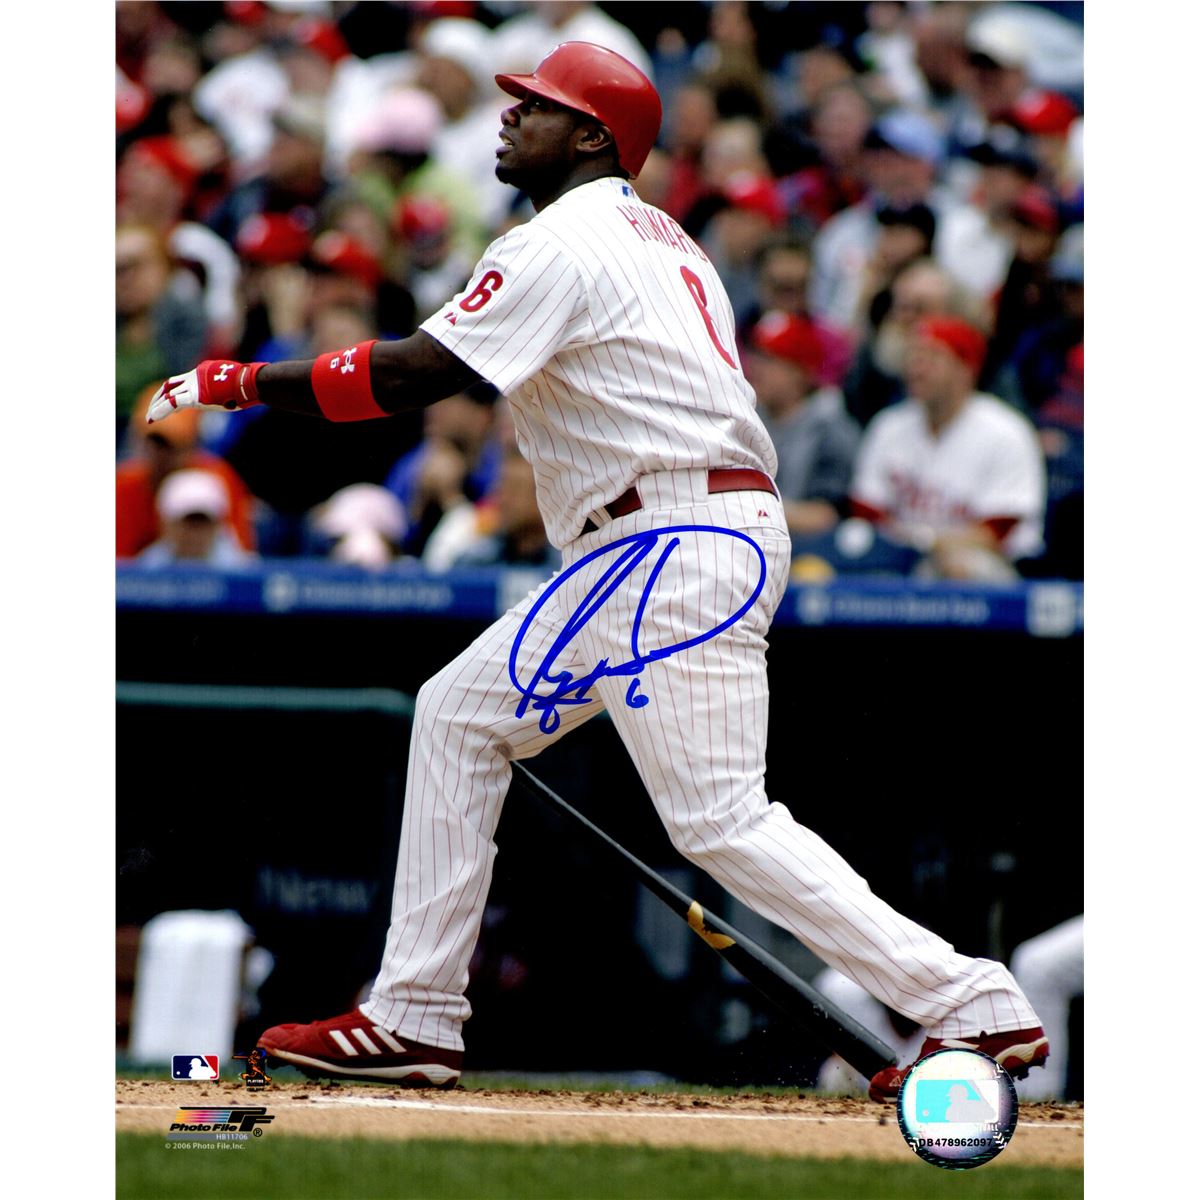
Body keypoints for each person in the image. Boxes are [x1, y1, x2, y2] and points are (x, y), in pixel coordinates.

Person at [148, 42, 1046, 1101]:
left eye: (535, 105)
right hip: (649, 539)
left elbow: (409, 376)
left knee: (718, 819)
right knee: (458, 716)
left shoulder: (562, 240)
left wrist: (240, 378)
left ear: (590, 135)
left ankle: (969, 1001)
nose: (509, 118)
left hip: (674, 536)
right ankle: (414, 1016)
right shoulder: (659, 235)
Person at [850, 314, 1046, 581]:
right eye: (913, 356)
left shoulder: (1006, 431)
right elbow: (865, 512)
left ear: (966, 369)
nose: (917, 368)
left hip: (993, 567)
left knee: (958, 565)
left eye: (932, 357)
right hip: (898, 559)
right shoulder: (888, 425)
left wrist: (922, 542)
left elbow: (997, 533)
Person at [743, 312, 859, 536]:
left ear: (800, 372)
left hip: (810, 548)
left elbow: (825, 516)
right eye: (755, 355)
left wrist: (748, 509)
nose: (756, 367)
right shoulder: (749, 415)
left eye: (770, 358)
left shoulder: (831, 428)